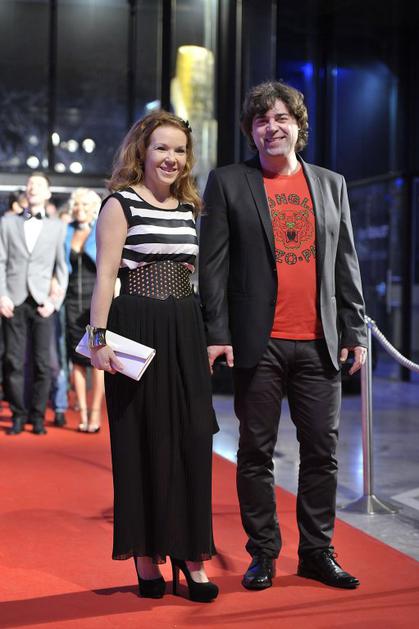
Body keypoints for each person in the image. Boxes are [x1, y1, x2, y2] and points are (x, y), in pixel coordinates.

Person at [199, 80, 367, 591]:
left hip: (319, 341)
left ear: (298, 127)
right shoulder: (228, 182)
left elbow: (345, 262)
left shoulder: (331, 184)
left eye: (281, 118)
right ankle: (264, 553)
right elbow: (213, 266)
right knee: (255, 452)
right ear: (251, 131)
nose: (271, 128)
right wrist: (216, 331)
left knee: (322, 453)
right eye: (261, 120)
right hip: (259, 342)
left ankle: (317, 552)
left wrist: (355, 327)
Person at [88, 110, 219, 602]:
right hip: (136, 327)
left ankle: (190, 554)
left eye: (179, 150)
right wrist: (97, 338)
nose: (171, 158)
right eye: (162, 147)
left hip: (185, 326)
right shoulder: (120, 203)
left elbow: (194, 275)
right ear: (142, 151)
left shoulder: (189, 207)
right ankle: (145, 556)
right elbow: (106, 276)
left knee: (191, 440)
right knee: (139, 440)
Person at [0, 172, 68, 435]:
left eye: (39, 185)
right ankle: (18, 414)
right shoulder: (7, 223)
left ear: (48, 193)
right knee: (13, 361)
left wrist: (54, 301)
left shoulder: (57, 227)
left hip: (43, 302)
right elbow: (1, 261)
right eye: (30, 184)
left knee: (42, 363)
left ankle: (38, 416)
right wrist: (2, 295)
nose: (33, 188)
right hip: (13, 300)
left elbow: (62, 268)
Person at [64, 188, 104, 433]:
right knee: (77, 360)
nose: (80, 209)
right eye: (77, 204)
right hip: (71, 303)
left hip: (96, 305)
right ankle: (83, 412)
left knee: (98, 358)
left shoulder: (101, 229)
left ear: (94, 208)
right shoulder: (66, 231)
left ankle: (96, 413)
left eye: (85, 205)